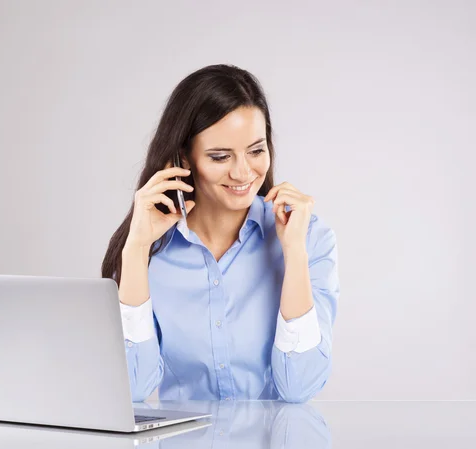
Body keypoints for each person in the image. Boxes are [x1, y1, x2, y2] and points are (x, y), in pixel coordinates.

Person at [101, 64, 339, 403]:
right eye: (220, 156)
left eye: (256, 150)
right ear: (184, 157)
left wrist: (294, 254)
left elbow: (299, 387)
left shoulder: (310, 237)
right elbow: (132, 388)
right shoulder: (148, 248)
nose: (243, 172)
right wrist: (136, 249)